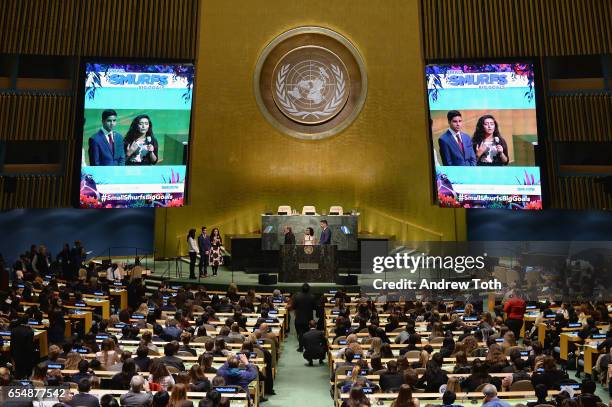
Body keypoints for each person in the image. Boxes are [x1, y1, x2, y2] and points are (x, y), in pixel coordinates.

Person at [292, 283, 316, 352]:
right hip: (309, 318)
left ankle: (300, 347)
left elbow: (294, 306)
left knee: (300, 333)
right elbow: (314, 307)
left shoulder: (297, 296)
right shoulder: (312, 297)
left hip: (299, 318)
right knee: (308, 333)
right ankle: (307, 347)